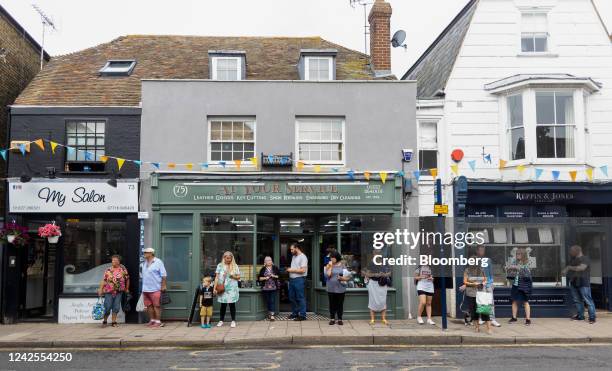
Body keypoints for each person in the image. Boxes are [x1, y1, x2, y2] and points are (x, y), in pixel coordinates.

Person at [563, 245, 596, 324]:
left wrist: (569, 268)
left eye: (572, 251)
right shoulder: (574, 260)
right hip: (574, 283)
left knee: (588, 300)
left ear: (577, 251)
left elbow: (582, 268)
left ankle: (592, 318)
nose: (570, 252)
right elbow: (573, 271)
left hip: (583, 283)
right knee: (578, 301)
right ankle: (580, 316)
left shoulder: (585, 258)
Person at [98, 255, 130, 327]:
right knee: (107, 307)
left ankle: (114, 322)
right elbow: (104, 280)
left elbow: (127, 279)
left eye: (115, 260)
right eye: (112, 260)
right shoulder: (108, 270)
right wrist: (100, 289)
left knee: (116, 307)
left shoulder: (123, 270)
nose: (114, 262)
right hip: (109, 291)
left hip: (119, 292)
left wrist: (127, 288)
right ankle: (105, 320)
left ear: (119, 262)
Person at [463, 257, 491, 334]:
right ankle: (477, 327)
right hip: (470, 293)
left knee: (484, 311)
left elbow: (485, 280)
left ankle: (489, 328)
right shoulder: (467, 270)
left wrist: (482, 283)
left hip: (480, 293)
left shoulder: (481, 269)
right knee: (474, 312)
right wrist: (473, 283)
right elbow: (465, 281)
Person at [475, 246, 501, 327]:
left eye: (483, 250)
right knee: (481, 301)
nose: (482, 251)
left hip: (488, 283)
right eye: (480, 250)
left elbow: (490, 272)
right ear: (477, 251)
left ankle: (492, 319)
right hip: (480, 283)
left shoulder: (488, 260)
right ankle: (482, 318)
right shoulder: (474, 260)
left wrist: (492, 282)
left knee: (490, 302)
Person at [141, 247, 167, 328]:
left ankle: (158, 321)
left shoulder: (158, 262)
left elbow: (164, 275)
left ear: (151, 253)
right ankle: (152, 320)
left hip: (155, 288)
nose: (144, 254)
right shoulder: (144, 263)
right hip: (145, 288)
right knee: (149, 305)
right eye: (144, 252)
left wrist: (163, 285)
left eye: (146, 252)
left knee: (156, 305)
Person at [214, 251, 241, 328]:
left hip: (232, 288)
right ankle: (221, 320)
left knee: (232, 304)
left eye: (230, 258)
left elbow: (239, 277)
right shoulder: (220, 266)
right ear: (224, 258)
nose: (228, 260)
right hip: (222, 288)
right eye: (227, 258)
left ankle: (233, 321)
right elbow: (216, 277)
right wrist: (214, 288)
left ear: (232, 258)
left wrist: (232, 276)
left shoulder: (235, 266)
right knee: (223, 305)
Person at [506, 247, 532, 325]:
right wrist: (508, 268)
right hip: (515, 284)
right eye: (517, 254)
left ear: (523, 255)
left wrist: (513, 267)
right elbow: (512, 269)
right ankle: (514, 318)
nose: (517, 255)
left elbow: (524, 270)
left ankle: (528, 319)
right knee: (514, 301)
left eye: (519, 254)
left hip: (524, 285)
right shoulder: (515, 261)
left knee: (525, 302)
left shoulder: (527, 262)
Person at [325, 251, 351, 325]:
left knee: (340, 304)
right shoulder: (329, 265)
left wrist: (342, 278)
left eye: (333, 258)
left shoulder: (343, 265)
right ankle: (332, 319)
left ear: (337, 258)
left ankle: (340, 319)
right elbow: (327, 276)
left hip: (340, 287)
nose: (331, 259)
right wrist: (330, 266)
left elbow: (348, 277)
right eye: (331, 258)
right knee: (332, 304)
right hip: (331, 288)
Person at [363, 255, 391, 325]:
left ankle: (383, 318)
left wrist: (384, 275)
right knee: (372, 301)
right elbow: (365, 273)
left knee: (383, 301)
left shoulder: (385, 266)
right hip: (373, 285)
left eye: (380, 260)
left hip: (382, 284)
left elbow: (389, 273)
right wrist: (375, 275)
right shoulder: (371, 266)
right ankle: (372, 319)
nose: (379, 261)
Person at [286, 243, 308, 321]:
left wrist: (291, 270)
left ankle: (302, 315)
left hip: (299, 279)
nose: (291, 251)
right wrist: (290, 269)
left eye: (292, 249)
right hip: (292, 280)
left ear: (297, 248)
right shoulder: (294, 257)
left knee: (300, 297)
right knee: (292, 297)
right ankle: (295, 313)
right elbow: (295, 267)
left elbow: (303, 270)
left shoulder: (303, 257)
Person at [258, 256, 280, 321]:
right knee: (268, 301)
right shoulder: (263, 269)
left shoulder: (275, 268)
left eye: (270, 260)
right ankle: (269, 313)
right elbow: (259, 278)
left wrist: (273, 276)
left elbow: (279, 276)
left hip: (273, 287)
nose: (269, 261)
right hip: (265, 288)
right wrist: (265, 278)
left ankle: (272, 314)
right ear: (265, 262)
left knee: (272, 300)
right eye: (267, 260)